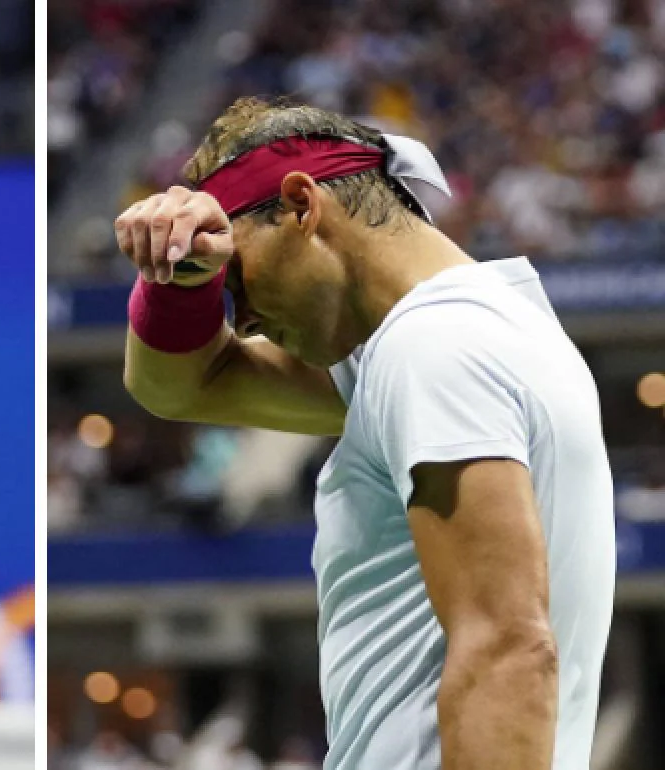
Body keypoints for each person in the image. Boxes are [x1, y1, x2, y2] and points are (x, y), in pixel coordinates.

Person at [115, 97, 615, 769]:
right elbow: (181, 386)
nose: (247, 319)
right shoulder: (488, 327)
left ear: (301, 206)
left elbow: (508, 651)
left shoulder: (434, 349)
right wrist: (179, 285)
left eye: (236, 280)